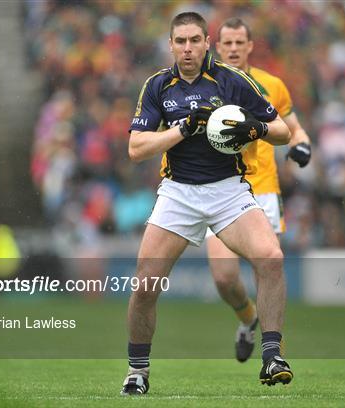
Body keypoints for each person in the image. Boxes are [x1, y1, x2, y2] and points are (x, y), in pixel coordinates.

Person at [122, 12, 293, 395]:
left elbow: (282, 130)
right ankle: (137, 371)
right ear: (170, 45)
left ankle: (272, 356)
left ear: (207, 42)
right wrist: (182, 129)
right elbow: (136, 149)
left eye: (195, 40)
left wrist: (257, 129)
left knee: (272, 258)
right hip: (178, 193)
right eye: (180, 41)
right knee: (146, 284)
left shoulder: (232, 81)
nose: (187, 48)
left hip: (228, 190)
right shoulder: (157, 86)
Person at [208, 17, 311, 363]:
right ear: (218, 47)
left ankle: (273, 353)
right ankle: (247, 318)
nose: (234, 49)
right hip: (219, 187)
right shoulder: (206, 84)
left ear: (250, 46)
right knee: (224, 278)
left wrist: (302, 144)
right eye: (228, 44)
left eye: (240, 43)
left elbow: (292, 127)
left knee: (266, 267)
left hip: (262, 188)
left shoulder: (272, 85)